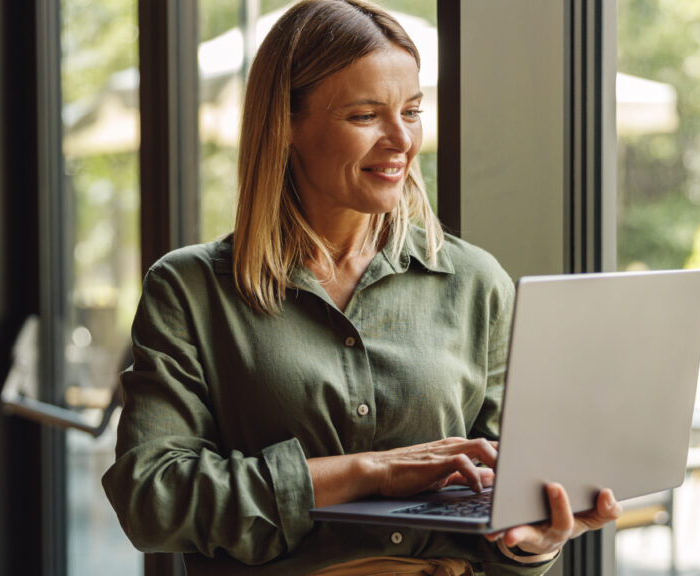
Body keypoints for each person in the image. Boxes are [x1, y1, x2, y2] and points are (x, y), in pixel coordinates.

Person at [102, 1, 621, 574]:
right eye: (365, 115)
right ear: (287, 125)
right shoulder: (190, 290)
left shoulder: (477, 284)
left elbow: (507, 506)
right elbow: (151, 500)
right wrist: (371, 471)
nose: (402, 139)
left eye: (413, 111)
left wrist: (533, 540)